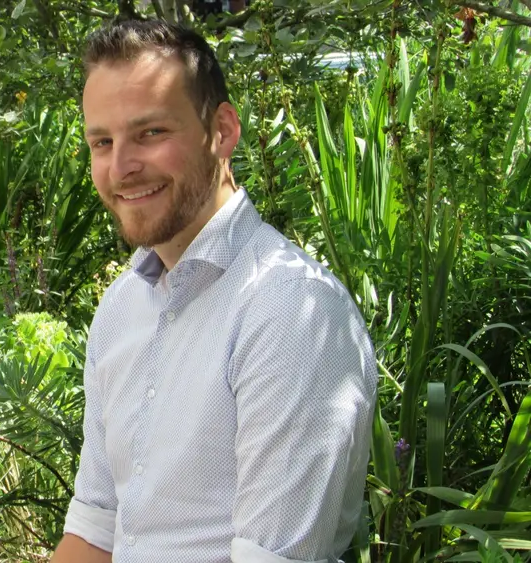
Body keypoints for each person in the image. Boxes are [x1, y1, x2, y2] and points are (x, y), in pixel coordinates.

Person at [50, 19, 377, 563]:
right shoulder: (122, 305)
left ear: (222, 131)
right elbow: (94, 533)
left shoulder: (291, 312)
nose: (121, 167)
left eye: (150, 133)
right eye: (102, 142)